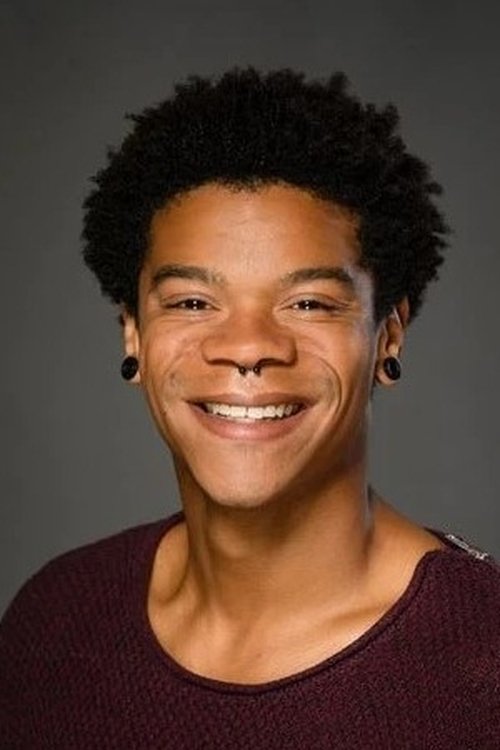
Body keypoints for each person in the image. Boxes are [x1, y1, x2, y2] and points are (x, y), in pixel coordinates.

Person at [1, 67, 499, 749]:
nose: (247, 347)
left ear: (388, 333)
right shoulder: (52, 619)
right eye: (192, 302)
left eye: (309, 303)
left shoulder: (482, 661)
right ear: (134, 332)